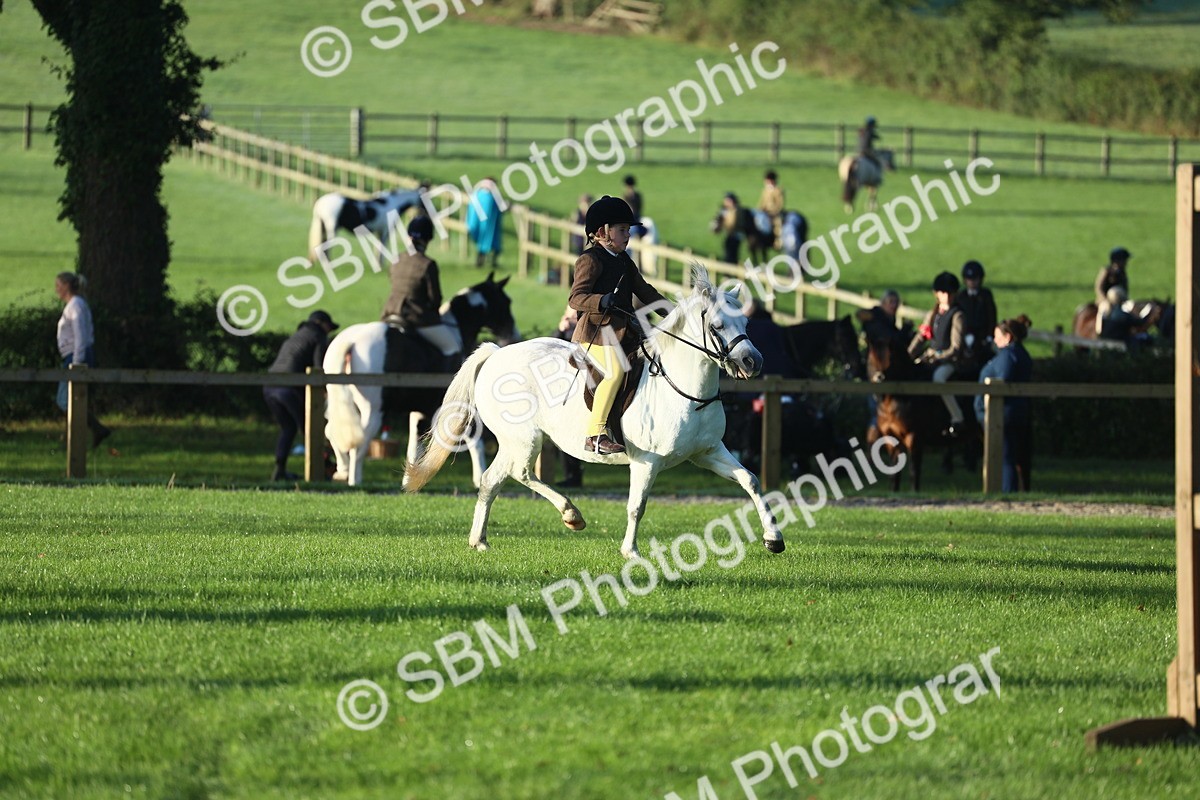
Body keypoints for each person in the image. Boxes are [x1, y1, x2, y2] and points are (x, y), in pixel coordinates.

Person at [569, 195, 672, 455]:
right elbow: (575, 297)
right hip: (593, 333)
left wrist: (674, 313)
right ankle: (596, 435)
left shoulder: (624, 260)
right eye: (622, 230)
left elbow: (645, 292)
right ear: (603, 232)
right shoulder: (589, 259)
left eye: (628, 230)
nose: (628, 236)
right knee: (615, 371)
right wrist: (601, 300)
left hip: (624, 331)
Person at [264, 310, 339, 481]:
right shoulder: (318, 336)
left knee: (288, 428)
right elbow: (319, 368)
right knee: (311, 429)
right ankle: (322, 471)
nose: (329, 331)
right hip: (288, 389)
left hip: (269, 387)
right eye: (328, 327)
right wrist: (327, 391)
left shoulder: (296, 336)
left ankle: (279, 470)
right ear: (320, 323)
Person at [382, 215, 462, 370]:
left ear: (408, 236)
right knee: (453, 347)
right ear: (428, 239)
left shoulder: (396, 259)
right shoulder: (428, 264)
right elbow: (435, 299)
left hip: (390, 313)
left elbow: (393, 282)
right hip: (417, 319)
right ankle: (444, 389)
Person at [974, 315, 1034, 492]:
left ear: (1007, 337)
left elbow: (1002, 381)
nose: (994, 339)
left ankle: (1008, 492)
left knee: (1005, 457)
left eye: (997, 336)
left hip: (1003, 414)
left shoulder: (1008, 356)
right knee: (1013, 457)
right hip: (1017, 411)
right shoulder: (1020, 354)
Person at [54, 271, 111, 448]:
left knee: (66, 399)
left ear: (66, 286)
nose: (56, 289)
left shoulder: (75, 306)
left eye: (58, 285)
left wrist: (77, 363)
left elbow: (81, 336)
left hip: (76, 356)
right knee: (71, 399)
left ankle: (94, 430)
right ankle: (73, 437)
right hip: (74, 355)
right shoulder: (75, 305)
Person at [909, 271, 968, 437]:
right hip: (931, 359)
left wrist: (936, 355)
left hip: (949, 361)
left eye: (950, 293)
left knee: (939, 379)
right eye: (943, 293)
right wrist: (909, 355)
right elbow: (922, 336)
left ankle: (957, 417)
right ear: (937, 294)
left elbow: (956, 347)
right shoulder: (933, 314)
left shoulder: (958, 316)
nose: (947, 296)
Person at [555, 305, 585, 487]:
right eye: (568, 314)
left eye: (574, 315)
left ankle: (574, 476)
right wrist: (560, 329)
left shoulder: (584, 331)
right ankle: (571, 476)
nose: (571, 318)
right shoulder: (560, 333)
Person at [956, 260, 998, 370]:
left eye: (975, 279)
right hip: (965, 335)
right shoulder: (961, 296)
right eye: (970, 279)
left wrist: (989, 336)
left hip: (982, 336)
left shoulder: (985, 296)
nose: (972, 282)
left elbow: (991, 316)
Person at [466, 177, 503, 268]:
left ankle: (481, 262)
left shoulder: (478, 195)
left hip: (484, 226)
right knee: (488, 244)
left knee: (482, 244)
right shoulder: (490, 198)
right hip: (489, 227)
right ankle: (489, 262)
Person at [711, 192, 749, 264]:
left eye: (727, 201)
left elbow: (733, 224)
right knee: (728, 254)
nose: (726, 202)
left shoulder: (736, 211)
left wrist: (724, 222)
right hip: (730, 235)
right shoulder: (726, 210)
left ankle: (731, 272)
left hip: (735, 236)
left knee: (732, 255)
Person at [757, 170, 785, 248]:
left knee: (777, 224)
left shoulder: (778, 190)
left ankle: (778, 242)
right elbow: (762, 202)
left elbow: (780, 204)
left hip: (775, 213)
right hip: (765, 212)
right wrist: (759, 210)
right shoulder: (765, 190)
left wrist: (773, 212)